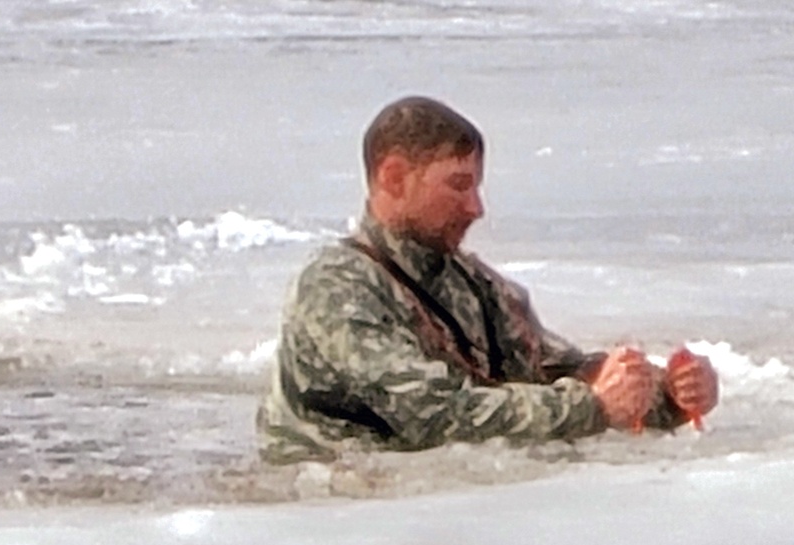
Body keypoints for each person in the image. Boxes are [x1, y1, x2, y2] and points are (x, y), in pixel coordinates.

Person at [258, 96, 718, 464]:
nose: (476, 208)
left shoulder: (473, 284)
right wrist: (590, 409)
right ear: (394, 178)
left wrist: (665, 393)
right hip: (332, 503)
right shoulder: (335, 287)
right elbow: (431, 413)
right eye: (458, 185)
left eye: (477, 186)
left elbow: (555, 368)